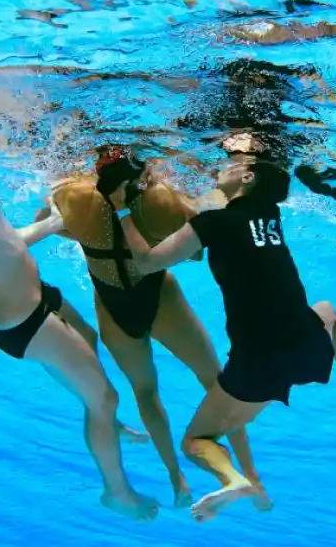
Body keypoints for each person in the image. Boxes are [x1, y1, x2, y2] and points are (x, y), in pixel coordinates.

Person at [0, 122, 159, 521]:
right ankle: (116, 491)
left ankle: (106, 421)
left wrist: (53, 223)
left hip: (36, 297)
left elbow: (6, 240)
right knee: (104, 398)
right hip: (23, 320)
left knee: (89, 338)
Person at [118, 155, 336, 522]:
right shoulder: (270, 219)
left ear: (247, 177)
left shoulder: (215, 222)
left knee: (195, 441)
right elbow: (226, 224)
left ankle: (232, 479)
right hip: (304, 345)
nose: (223, 164)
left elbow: (149, 262)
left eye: (233, 162)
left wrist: (125, 221)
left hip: (257, 366)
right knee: (328, 312)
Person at [35, 144, 269, 509]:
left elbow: (46, 222)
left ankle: (178, 481)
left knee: (145, 391)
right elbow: (195, 252)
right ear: (140, 175)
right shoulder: (158, 200)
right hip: (159, 295)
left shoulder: (75, 197)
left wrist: (87, 233)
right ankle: (250, 477)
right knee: (215, 379)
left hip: (113, 305)